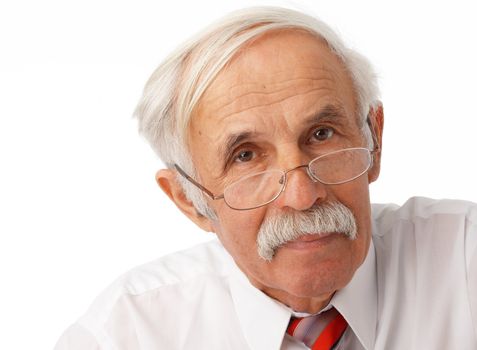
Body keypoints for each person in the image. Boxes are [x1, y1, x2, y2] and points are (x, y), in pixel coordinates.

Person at [54, 6, 477, 350]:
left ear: (375, 141)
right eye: (245, 157)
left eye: (322, 134)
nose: (302, 195)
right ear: (187, 199)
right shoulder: (128, 333)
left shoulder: (464, 261)